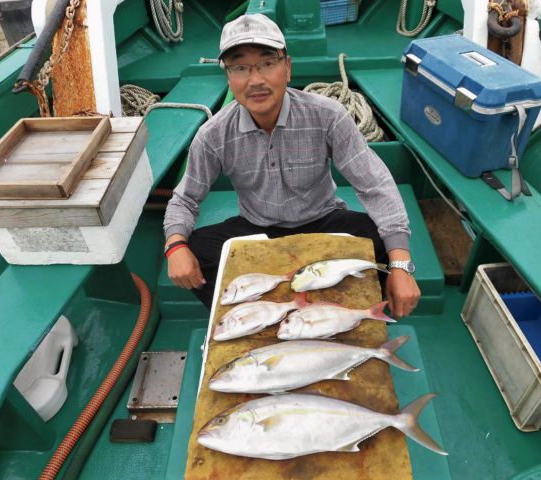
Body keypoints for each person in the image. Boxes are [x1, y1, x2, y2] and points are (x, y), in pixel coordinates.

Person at [163, 13, 420, 317]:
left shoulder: (327, 115)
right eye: (240, 68)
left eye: (267, 63)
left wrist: (401, 265)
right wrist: (175, 246)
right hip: (256, 228)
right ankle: (254, 316)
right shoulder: (213, 135)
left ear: (287, 68)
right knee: (194, 249)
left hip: (322, 220)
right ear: (229, 78)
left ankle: (348, 316)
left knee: (380, 239)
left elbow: (375, 184)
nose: (255, 80)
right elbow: (185, 199)